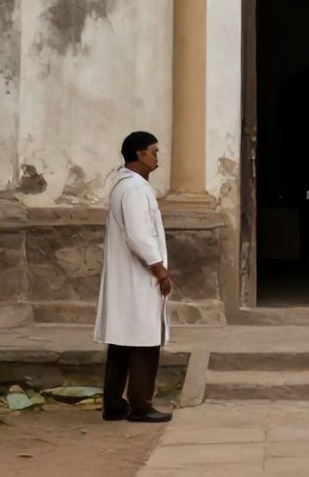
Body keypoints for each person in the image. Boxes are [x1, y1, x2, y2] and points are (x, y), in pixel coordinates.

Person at [93, 131, 173, 423]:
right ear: (139, 154)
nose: (157, 158)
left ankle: (114, 402)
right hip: (138, 277)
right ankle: (141, 404)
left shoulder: (126, 187)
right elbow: (139, 236)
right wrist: (159, 269)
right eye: (154, 151)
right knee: (144, 340)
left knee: (123, 340)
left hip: (128, 278)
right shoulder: (134, 189)